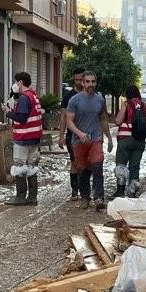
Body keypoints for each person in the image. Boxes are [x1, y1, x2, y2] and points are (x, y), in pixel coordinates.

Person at [66, 70, 114, 211]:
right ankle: (85, 197)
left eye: (93, 81)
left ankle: (99, 197)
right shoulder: (74, 100)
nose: (90, 84)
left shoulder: (99, 100)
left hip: (96, 139)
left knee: (97, 165)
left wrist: (109, 138)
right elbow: (69, 121)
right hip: (79, 141)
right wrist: (79, 134)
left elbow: (104, 119)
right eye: (87, 81)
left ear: (95, 82)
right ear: (82, 82)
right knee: (83, 169)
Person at [2, 71, 43, 206]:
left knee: (19, 166)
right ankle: (32, 197)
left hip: (24, 137)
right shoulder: (33, 95)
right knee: (31, 167)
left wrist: (8, 112)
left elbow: (22, 118)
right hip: (34, 137)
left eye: (15, 82)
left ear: (20, 83)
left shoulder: (25, 98)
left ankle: (20, 196)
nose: (14, 84)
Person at [113, 85, 146, 198]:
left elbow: (117, 121)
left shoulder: (126, 104)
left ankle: (120, 191)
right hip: (139, 141)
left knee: (121, 165)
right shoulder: (145, 106)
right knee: (135, 166)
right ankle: (132, 192)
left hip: (125, 139)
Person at [59, 66, 85, 200]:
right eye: (76, 80)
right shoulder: (68, 97)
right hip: (72, 136)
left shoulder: (90, 95)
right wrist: (61, 136)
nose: (78, 82)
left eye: (81, 80)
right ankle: (75, 191)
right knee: (74, 162)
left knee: (86, 163)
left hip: (87, 135)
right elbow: (63, 117)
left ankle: (85, 190)